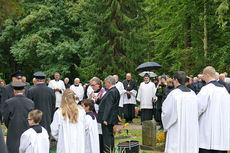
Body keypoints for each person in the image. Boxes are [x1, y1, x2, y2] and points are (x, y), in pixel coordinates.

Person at [162, 71, 199, 153]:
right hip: (191, 130)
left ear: (175, 80)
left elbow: (167, 113)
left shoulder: (174, 94)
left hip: (177, 128)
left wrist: (166, 124)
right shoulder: (193, 94)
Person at [197, 66, 230, 153]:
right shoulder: (224, 91)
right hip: (222, 137)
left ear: (207, 75)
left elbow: (198, 108)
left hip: (207, 138)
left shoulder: (206, 89)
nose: (203, 78)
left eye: (203, 76)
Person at [3, 82, 34, 153]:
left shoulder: (8, 102)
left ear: (14, 91)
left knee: (13, 149)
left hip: (13, 131)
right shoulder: (30, 102)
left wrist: (11, 126)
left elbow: (5, 119)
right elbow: (32, 118)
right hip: (27, 129)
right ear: (23, 91)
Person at [97, 75, 120, 153]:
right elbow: (105, 103)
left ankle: (108, 151)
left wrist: (105, 118)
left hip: (108, 118)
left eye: (105, 83)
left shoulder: (112, 91)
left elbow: (108, 106)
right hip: (110, 118)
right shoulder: (113, 91)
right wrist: (98, 100)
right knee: (109, 136)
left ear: (109, 82)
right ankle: (110, 150)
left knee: (107, 137)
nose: (105, 84)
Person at [88, 77, 106, 153]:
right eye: (91, 85)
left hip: (100, 116)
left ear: (98, 85)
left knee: (100, 134)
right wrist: (89, 99)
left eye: (93, 85)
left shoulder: (103, 92)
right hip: (93, 116)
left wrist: (97, 99)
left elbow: (104, 104)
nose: (92, 87)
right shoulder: (92, 93)